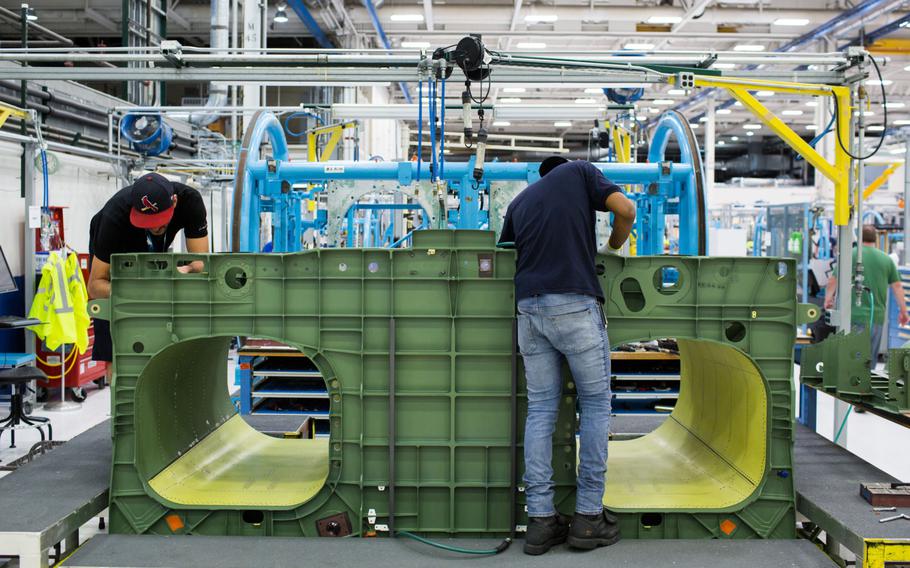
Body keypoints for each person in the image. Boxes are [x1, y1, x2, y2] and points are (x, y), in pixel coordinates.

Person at [498, 156, 636, 555]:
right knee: (594, 404)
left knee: (541, 408)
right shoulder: (580, 171)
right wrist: (611, 247)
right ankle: (588, 518)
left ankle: (540, 521)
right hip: (574, 305)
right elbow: (625, 210)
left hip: (528, 309)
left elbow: (510, 250)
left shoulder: (520, 202)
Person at [87, 173, 209, 364]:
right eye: (147, 222)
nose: (154, 227)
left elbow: (202, 264)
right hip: (118, 256)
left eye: (159, 221)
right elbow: (95, 287)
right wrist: (136, 292)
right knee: (113, 345)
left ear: (174, 202)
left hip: (154, 260)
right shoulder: (113, 217)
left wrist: (182, 272)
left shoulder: (189, 201)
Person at [824, 224, 909, 367]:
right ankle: (864, 387)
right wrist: (904, 312)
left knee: (851, 359)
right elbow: (897, 286)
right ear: (875, 238)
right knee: (868, 362)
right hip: (876, 318)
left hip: (852, 315)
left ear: (859, 237)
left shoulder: (850, 255)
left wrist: (828, 299)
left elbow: (833, 280)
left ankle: (850, 387)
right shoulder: (886, 259)